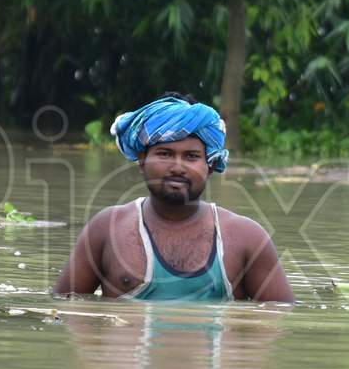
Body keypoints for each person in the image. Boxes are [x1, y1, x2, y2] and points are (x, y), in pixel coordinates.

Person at [54, 93, 295, 302]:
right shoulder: (105, 228)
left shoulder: (247, 238)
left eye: (191, 156)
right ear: (142, 160)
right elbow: (62, 311)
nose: (178, 167)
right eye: (165, 153)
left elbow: (278, 320)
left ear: (210, 166)